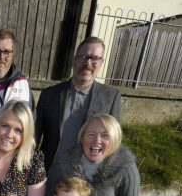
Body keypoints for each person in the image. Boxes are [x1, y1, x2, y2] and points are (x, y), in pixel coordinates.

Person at [35, 36, 121, 172]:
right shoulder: (49, 95)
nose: (88, 63)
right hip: (49, 173)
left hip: (88, 177)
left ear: (102, 62)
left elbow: (114, 142)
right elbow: (34, 136)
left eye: (95, 58)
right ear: (75, 60)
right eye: (83, 57)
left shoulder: (111, 97)